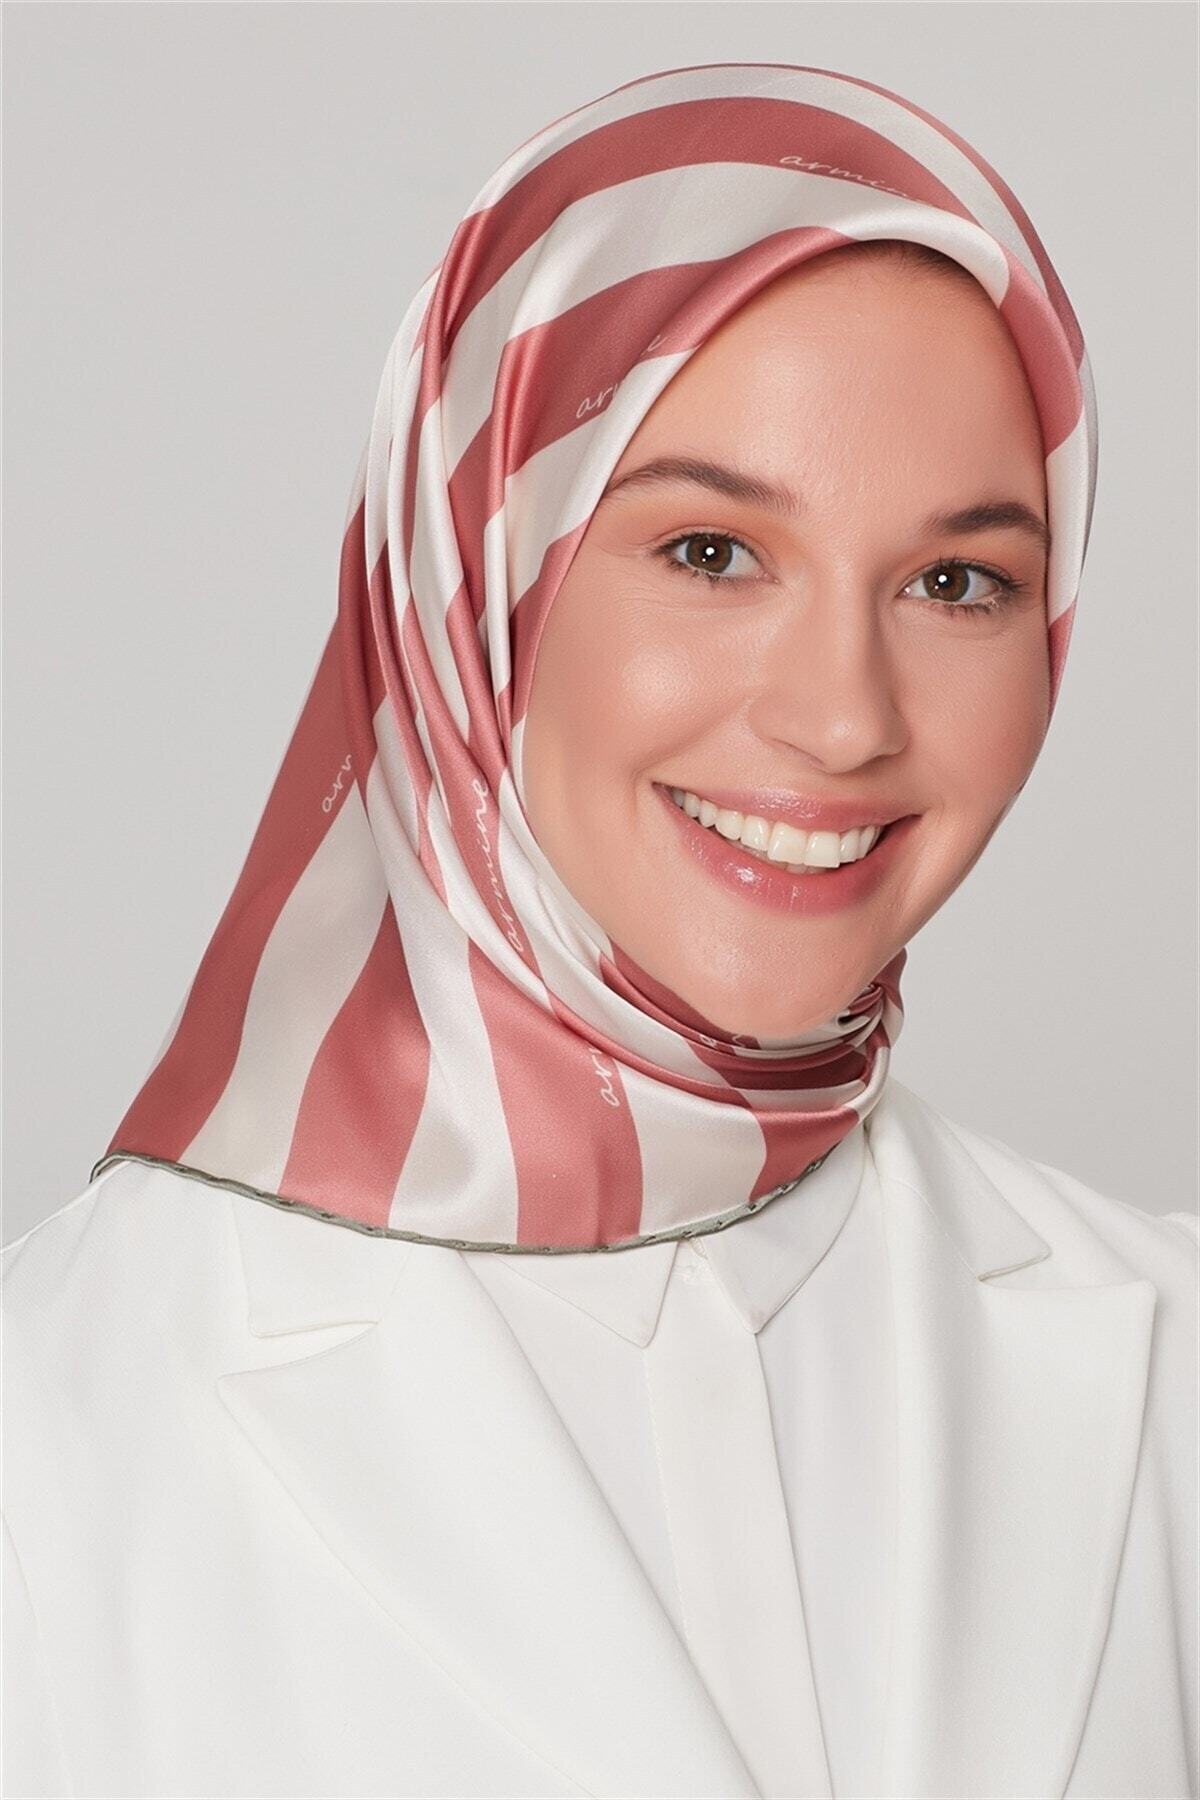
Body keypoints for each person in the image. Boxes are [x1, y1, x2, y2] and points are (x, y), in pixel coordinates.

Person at [3, 59, 1195, 1800]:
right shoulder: (47, 1429)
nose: (843, 718)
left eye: (959, 583)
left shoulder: (1174, 1350)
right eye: (712, 552)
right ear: (472, 578)